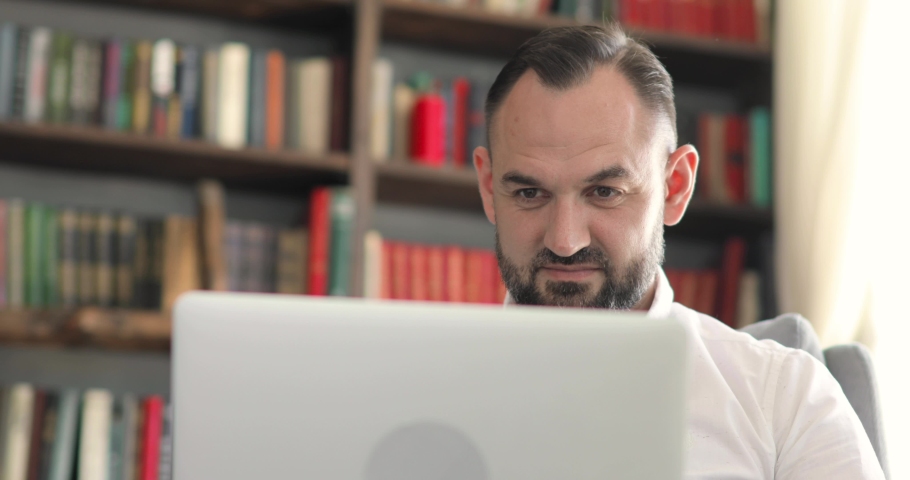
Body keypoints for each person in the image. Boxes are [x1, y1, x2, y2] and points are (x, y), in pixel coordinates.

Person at [472, 24, 885, 479]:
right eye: (530, 193)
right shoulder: (422, 384)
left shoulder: (786, 400)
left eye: (605, 192)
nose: (564, 240)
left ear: (675, 187)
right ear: (489, 188)